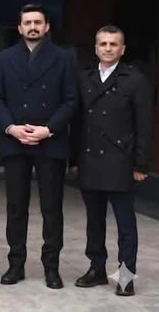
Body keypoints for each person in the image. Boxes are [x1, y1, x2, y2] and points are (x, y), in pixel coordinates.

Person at [0, 3, 77, 289]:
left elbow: (70, 101)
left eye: (38, 22)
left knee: (51, 209)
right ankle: (15, 265)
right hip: (15, 141)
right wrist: (11, 128)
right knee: (16, 208)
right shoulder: (5, 58)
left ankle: (52, 268)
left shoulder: (63, 58)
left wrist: (48, 130)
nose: (33, 27)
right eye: (27, 23)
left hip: (50, 141)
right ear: (19, 28)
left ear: (47, 26)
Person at [72, 25, 153, 297]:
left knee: (125, 224)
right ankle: (96, 269)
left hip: (120, 160)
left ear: (123, 49)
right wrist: (74, 159)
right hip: (90, 159)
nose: (108, 48)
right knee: (94, 222)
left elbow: (144, 125)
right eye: (103, 44)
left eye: (113, 44)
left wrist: (141, 164)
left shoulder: (136, 79)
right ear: (96, 48)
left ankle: (126, 276)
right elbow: (77, 121)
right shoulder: (84, 78)